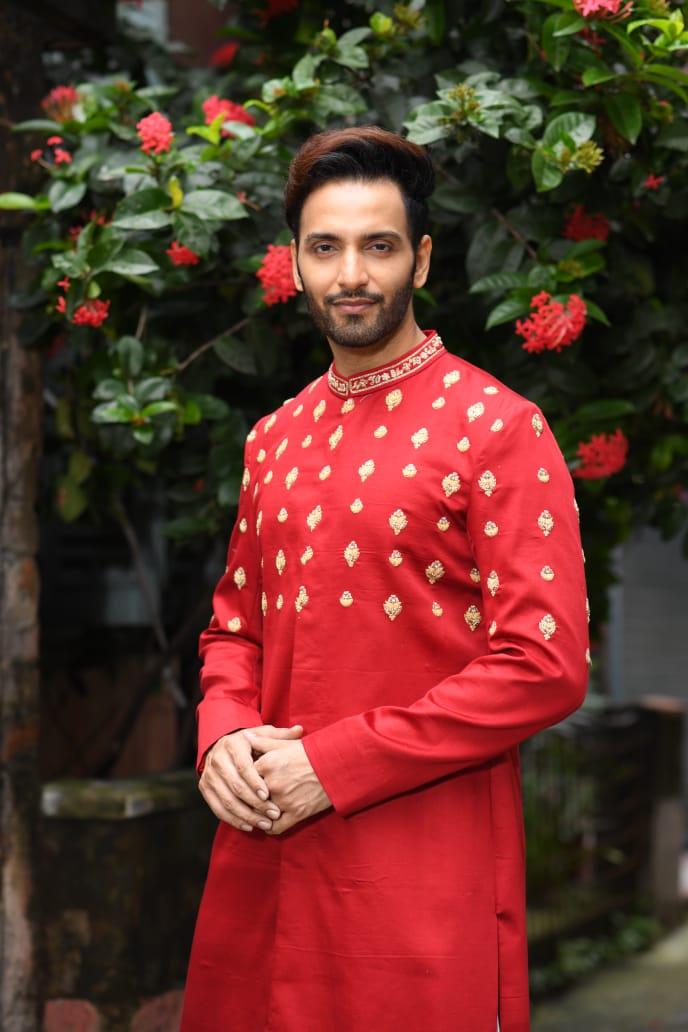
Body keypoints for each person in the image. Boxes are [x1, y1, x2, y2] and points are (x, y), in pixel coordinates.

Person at [180, 126, 589, 1032]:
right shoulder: (272, 436)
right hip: (262, 859)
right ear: (294, 261)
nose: (352, 274)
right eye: (326, 247)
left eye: (379, 245)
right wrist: (220, 735)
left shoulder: (501, 428)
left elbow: (545, 664)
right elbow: (233, 627)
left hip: (419, 871)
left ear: (423, 258)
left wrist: (334, 764)